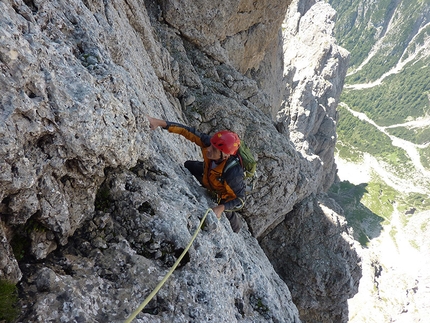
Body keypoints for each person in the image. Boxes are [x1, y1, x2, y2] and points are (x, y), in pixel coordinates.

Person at [147, 116, 245, 233]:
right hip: (208, 175)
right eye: (210, 146)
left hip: (222, 193)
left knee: (228, 214)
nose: (208, 149)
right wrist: (158, 122)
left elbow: (240, 198)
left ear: (225, 156)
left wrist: (221, 208)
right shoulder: (212, 144)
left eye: (213, 150)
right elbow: (187, 131)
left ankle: (236, 229)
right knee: (188, 165)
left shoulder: (233, 173)